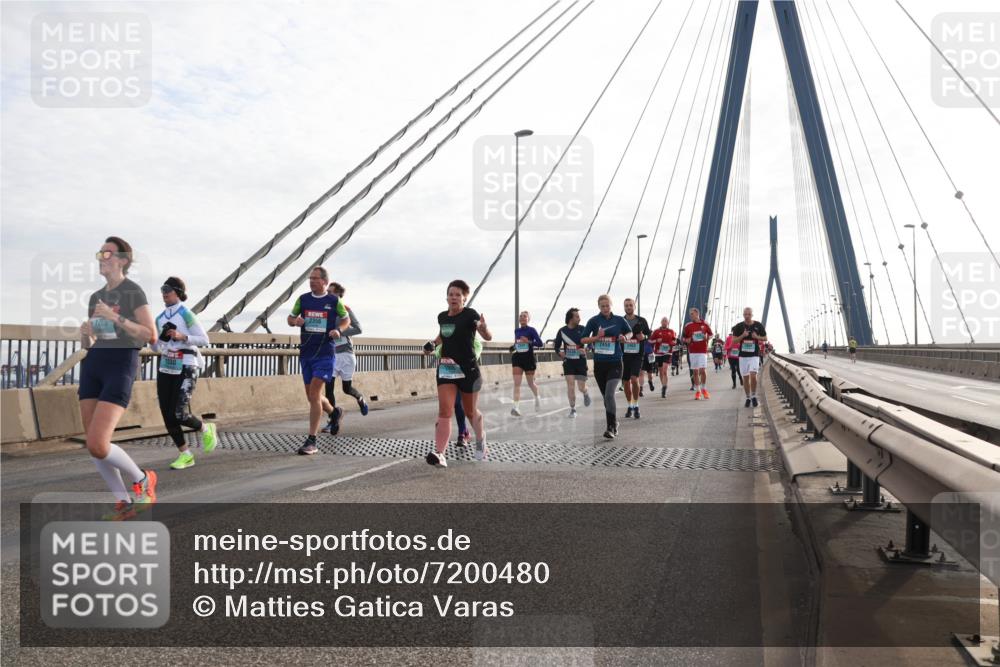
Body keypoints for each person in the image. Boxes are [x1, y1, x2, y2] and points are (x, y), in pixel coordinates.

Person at [78, 237, 158, 521]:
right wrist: (86, 332)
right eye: (99, 252)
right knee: (93, 445)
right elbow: (91, 343)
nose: (101, 257)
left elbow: (150, 334)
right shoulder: (95, 297)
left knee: (99, 444)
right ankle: (123, 502)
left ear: (123, 260)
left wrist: (115, 318)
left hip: (120, 365)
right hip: (93, 366)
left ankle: (142, 479)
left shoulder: (132, 292)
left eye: (107, 253)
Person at [152, 276, 217, 470]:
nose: (164, 293)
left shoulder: (185, 314)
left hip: (187, 365)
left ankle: (206, 428)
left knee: (179, 413)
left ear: (178, 292)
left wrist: (182, 336)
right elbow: (156, 348)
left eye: (168, 289)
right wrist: (155, 340)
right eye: (162, 289)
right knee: (167, 414)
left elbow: (204, 340)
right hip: (166, 366)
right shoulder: (159, 318)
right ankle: (185, 455)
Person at [427, 280, 491, 466]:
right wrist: (432, 344)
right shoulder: (442, 317)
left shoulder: (470, 315)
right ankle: (440, 453)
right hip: (447, 368)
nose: (453, 297)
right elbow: (443, 334)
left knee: (470, 411)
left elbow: (488, 337)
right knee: (445, 411)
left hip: (468, 370)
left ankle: (480, 440)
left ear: (464, 298)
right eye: (450, 294)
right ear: (446, 297)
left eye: (457, 295)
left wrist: (483, 328)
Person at [287, 266, 350, 455]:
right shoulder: (303, 299)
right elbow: (290, 318)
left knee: (314, 394)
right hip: (306, 353)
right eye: (310, 278)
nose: (311, 281)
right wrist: (295, 321)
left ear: (324, 281)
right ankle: (334, 412)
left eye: (315, 278)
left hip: (325, 353)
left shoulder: (333, 301)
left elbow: (346, 320)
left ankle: (312, 441)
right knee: (311, 396)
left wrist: (338, 330)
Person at [582, 295, 631, 439]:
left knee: (610, 394)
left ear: (611, 305)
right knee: (606, 398)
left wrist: (626, 337)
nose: (605, 308)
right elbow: (583, 339)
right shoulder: (593, 321)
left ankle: (610, 428)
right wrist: (596, 337)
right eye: (602, 306)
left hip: (615, 362)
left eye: (607, 305)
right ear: (599, 307)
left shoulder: (619, 320)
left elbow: (629, 332)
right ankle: (614, 422)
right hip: (600, 364)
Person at [322, 282, 368, 435]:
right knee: (328, 387)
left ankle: (360, 398)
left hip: (346, 356)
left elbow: (359, 329)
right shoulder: (326, 310)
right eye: (326, 292)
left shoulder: (345, 310)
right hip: (332, 355)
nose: (327, 294)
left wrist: (340, 332)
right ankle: (333, 419)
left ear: (338, 295)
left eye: (330, 292)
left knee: (346, 388)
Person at [430, 336, 483, 446]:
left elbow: (477, 349)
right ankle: (461, 434)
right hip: (449, 373)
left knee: (468, 409)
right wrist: (438, 347)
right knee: (455, 405)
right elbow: (438, 352)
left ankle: (477, 436)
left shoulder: (470, 335)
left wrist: (465, 357)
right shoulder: (447, 334)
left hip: (465, 374)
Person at [554, 308, 592, 418]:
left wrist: (586, 350)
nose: (579, 318)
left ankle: (585, 393)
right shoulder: (562, 331)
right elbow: (556, 347)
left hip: (580, 361)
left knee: (581, 387)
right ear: (571, 318)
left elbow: (590, 344)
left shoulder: (583, 329)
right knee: (570, 386)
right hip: (568, 361)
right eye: (577, 316)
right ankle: (573, 409)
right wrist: (560, 353)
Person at [732, 306, 767, 408]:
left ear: (752, 315)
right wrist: (742, 335)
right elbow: (734, 341)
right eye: (745, 314)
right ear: (743, 315)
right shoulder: (738, 326)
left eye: (749, 314)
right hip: (743, 356)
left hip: (754, 355)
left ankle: (754, 396)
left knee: (753, 375)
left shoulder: (758, 325)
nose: (747, 316)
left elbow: (765, 338)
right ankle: (748, 397)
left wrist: (757, 337)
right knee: (746, 378)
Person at [621, 298, 650, 419]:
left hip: (638, 354)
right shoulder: (620, 321)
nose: (628, 307)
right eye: (626, 306)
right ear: (624, 307)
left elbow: (649, 334)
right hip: (624, 355)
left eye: (630, 305)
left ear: (634, 307)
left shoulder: (642, 321)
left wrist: (644, 336)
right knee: (626, 382)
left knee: (634, 379)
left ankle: (636, 405)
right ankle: (630, 405)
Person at [510, 311, 543, 416]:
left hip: (528, 358)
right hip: (518, 358)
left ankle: (537, 398)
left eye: (525, 316)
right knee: (517, 383)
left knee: (530, 383)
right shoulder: (517, 331)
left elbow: (540, 343)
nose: (522, 318)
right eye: (521, 316)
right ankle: (516, 407)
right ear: (519, 319)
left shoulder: (531, 330)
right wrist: (513, 347)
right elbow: (517, 344)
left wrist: (528, 341)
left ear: (528, 319)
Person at [682, 307, 713, 400]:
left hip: (702, 350)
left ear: (697, 313)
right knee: (695, 372)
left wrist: (706, 337)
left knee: (703, 370)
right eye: (690, 314)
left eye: (692, 313)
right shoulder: (688, 325)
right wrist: (687, 340)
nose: (690, 315)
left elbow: (711, 334)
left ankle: (704, 388)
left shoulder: (705, 324)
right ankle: (698, 391)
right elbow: (683, 338)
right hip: (693, 351)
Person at [648, 317, 676, 398]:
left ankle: (664, 387)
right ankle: (663, 385)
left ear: (668, 323)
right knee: (660, 372)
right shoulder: (656, 331)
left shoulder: (671, 331)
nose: (664, 322)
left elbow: (675, 341)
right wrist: (656, 341)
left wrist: (672, 343)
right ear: (661, 322)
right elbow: (650, 341)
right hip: (658, 354)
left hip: (667, 353)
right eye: (663, 321)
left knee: (664, 370)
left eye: (666, 321)